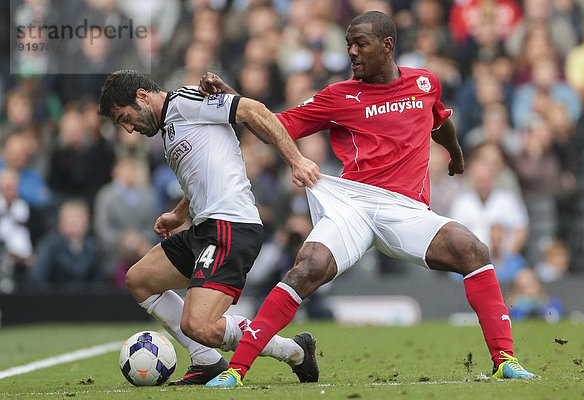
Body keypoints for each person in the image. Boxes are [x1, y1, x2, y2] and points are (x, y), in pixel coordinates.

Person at [200, 11, 535, 387]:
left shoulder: (425, 82)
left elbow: (439, 121)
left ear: (387, 45)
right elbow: (279, 126)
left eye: (360, 44)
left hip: (405, 210)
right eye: (348, 45)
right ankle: (237, 370)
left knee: (472, 249)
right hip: (353, 204)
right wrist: (236, 101)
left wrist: (456, 155)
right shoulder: (339, 96)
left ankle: (504, 359)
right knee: (307, 267)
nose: (352, 53)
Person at [97, 70, 321, 385]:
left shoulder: (186, 101)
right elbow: (203, 175)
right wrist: (178, 214)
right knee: (139, 280)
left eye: (126, 118)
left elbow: (253, 111)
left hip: (231, 225)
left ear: (142, 96)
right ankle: (206, 361)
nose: (130, 128)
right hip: (205, 228)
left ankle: (294, 351)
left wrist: (296, 160)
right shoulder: (171, 129)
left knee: (199, 325)